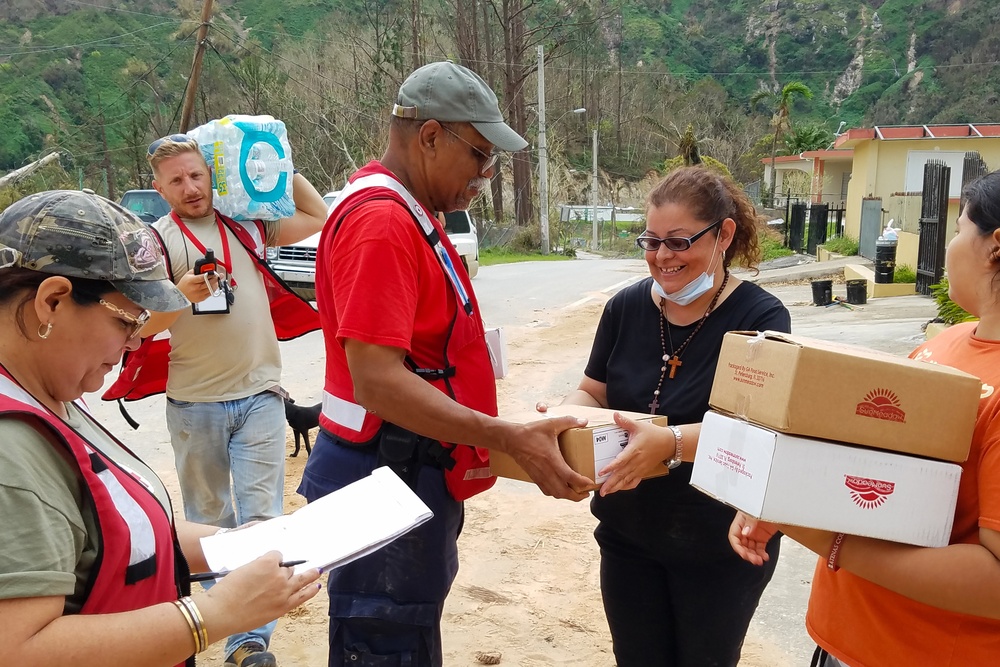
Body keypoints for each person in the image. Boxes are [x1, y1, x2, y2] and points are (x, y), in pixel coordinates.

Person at [298, 60, 594, 667]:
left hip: (405, 472)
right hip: (383, 480)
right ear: (430, 136)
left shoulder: (411, 210)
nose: (485, 174)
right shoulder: (382, 222)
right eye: (480, 155)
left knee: (404, 634)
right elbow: (377, 381)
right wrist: (504, 436)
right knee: (385, 643)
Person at [0, 189, 321, 667]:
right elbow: (19, 648)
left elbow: (118, 528)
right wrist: (213, 613)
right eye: (129, 321)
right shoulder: (10, 448)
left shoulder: (46, 392)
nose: (134, 344)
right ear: (52, 303)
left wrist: (248, 544)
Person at [730, 171, 1000, 667]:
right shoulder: (947, 343)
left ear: (995, 246)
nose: (949, 246)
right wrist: (793, 496)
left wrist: (822, 536)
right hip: (849, 640)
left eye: (959, 229)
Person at [548, 166, 791, 666]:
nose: (662, 258)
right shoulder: (626, 308)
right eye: (651, 242)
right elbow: (593, 391)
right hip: (628, 534)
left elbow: (762, 429)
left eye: (679, 243)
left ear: (723, 234)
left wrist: (672, 443)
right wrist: (562, 421)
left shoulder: (761, 321)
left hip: (719, 542)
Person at [118, 134, 327, 667]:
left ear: (212, 173)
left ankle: (248, 644)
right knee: (210, 522)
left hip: (260, 395)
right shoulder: (158, 245)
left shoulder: (249, 225)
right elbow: (139, 331)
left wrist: (278, 163)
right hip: (194, 405)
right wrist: (179, 297)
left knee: (262, 518)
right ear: (160, 188)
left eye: (196, 175)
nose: (189, 188)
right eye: (176, 180)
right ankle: (222, 623)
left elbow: (317, 214)